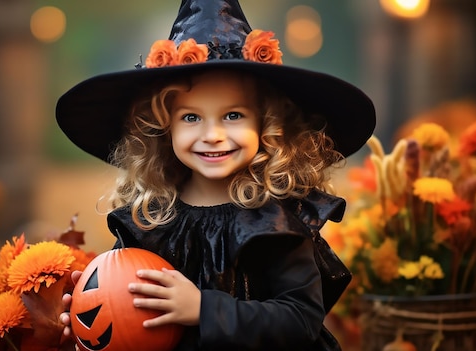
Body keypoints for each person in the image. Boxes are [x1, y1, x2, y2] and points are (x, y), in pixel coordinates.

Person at [56, 0, 376, 350]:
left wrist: (203, 308)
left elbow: (300, 320)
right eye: (191, 118)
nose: (212, 135)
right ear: (165, 129)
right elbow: (126, 300)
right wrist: (92, 314)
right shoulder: (151, 216)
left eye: (233, 115)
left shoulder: (276, 221)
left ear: (265, 125)